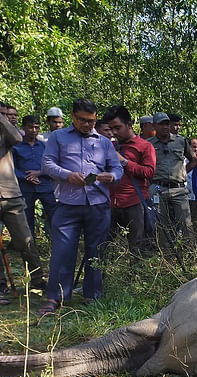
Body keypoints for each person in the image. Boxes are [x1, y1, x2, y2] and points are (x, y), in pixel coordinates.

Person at [39, 98, 123, 314]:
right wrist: (67, 175)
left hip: (98, 204)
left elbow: (117, 168)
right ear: (73, 116)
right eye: (83, 120)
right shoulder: (58, 137)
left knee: (96, 251)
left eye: (92, 121)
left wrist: (110, 176)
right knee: (62, 251)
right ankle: (55, 297)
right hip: (68, 204)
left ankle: (92, 296)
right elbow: (47, 164)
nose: (88, 125)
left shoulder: (104, 142)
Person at [0, 107, 48, 304]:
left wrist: (2, 119)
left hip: (11, 195)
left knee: (25, 241)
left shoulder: (6, 135)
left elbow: (18, 138)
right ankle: (1, 287)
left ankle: (38, 280)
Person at [105, 105, 156, 255]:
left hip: (135, 203)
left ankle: (137, 277)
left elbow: (150, 172)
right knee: (105, 247)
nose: (114, 132)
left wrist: (125, 162)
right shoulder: (110, 146)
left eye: (118, 127)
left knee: (137, 248)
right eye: (111, 128)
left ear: (129, 125)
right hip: (111, 203)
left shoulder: (145, 146)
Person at [148, 112, 196, 245]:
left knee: (186, 223)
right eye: (161, 124)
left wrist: (183, 173)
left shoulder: (180, 141)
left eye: (166, 124)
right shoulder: (149, 144)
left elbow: (194, 160)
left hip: (178, 189)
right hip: (158, 188)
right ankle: (166, 256)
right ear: (154, 126)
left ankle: (191, 254)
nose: (164, 127)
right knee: (161, 224)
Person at [12, 115, 57, 238]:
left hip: (45, 186)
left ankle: (57, 242)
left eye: (36, 127)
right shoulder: (16, 146)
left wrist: (39, 173)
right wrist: (25, 176)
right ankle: (30, 247)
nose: (33, 130)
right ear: (24, 127)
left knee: (54, 215)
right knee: (27, 218)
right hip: (26, 187)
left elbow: (53, 164)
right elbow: (11, 167)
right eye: (30, 127)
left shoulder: (45, 146)